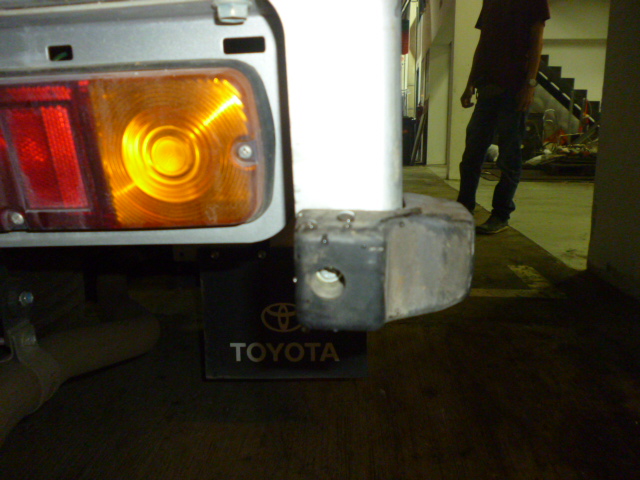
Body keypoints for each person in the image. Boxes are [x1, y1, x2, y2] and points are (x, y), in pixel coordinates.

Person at [457, 0, 550, 234]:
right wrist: (470, 83)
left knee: (509, 157)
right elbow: (483, 43)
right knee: (471, 156)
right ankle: (463, 209)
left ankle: (501, 214)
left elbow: (537, 40)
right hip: (487, 88)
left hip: (515, 89)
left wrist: (530, 84)